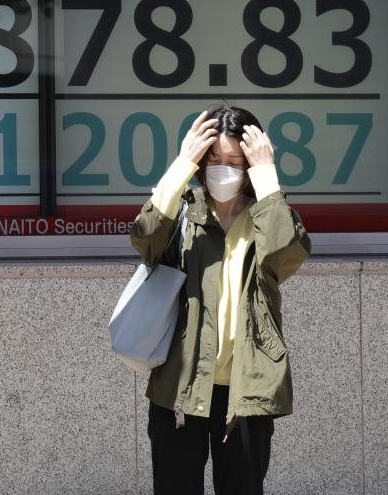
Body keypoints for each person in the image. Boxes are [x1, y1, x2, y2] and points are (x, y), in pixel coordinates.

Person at [131, 105, 311, 495]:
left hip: (246, 393)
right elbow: (145, 239)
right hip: (181, 386)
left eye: (235, 161)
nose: (223, 169)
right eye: (213, 159)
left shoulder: (268, 214)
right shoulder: (183, 209)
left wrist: (267, 177)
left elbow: (287, 258)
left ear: (249, 166)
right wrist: (180, 165)